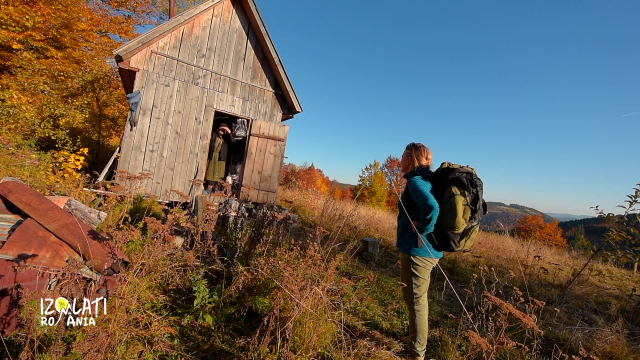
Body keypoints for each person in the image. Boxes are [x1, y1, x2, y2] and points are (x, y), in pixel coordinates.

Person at [397, 142, 442, 360]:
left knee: (416, 301)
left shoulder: (416, 181)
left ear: (409, 157)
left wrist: (421, 229)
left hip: (419, 250)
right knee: (415, 298)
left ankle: (416, 352)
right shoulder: (427, 179)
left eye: (403, 155)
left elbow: (432, 207)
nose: (400, 160)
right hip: (426, 250)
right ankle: (413, 339)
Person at [204, 122, 236, 194]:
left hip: (221, 158)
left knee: (219, 173)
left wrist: (229, 131)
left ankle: (216, 188)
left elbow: (233, 142)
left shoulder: (226, 139)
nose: (222, 132)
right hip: (213, 156)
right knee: (210, 171)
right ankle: (209, 187)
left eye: (223, 130)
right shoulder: (213, 135)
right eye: (221, 130)